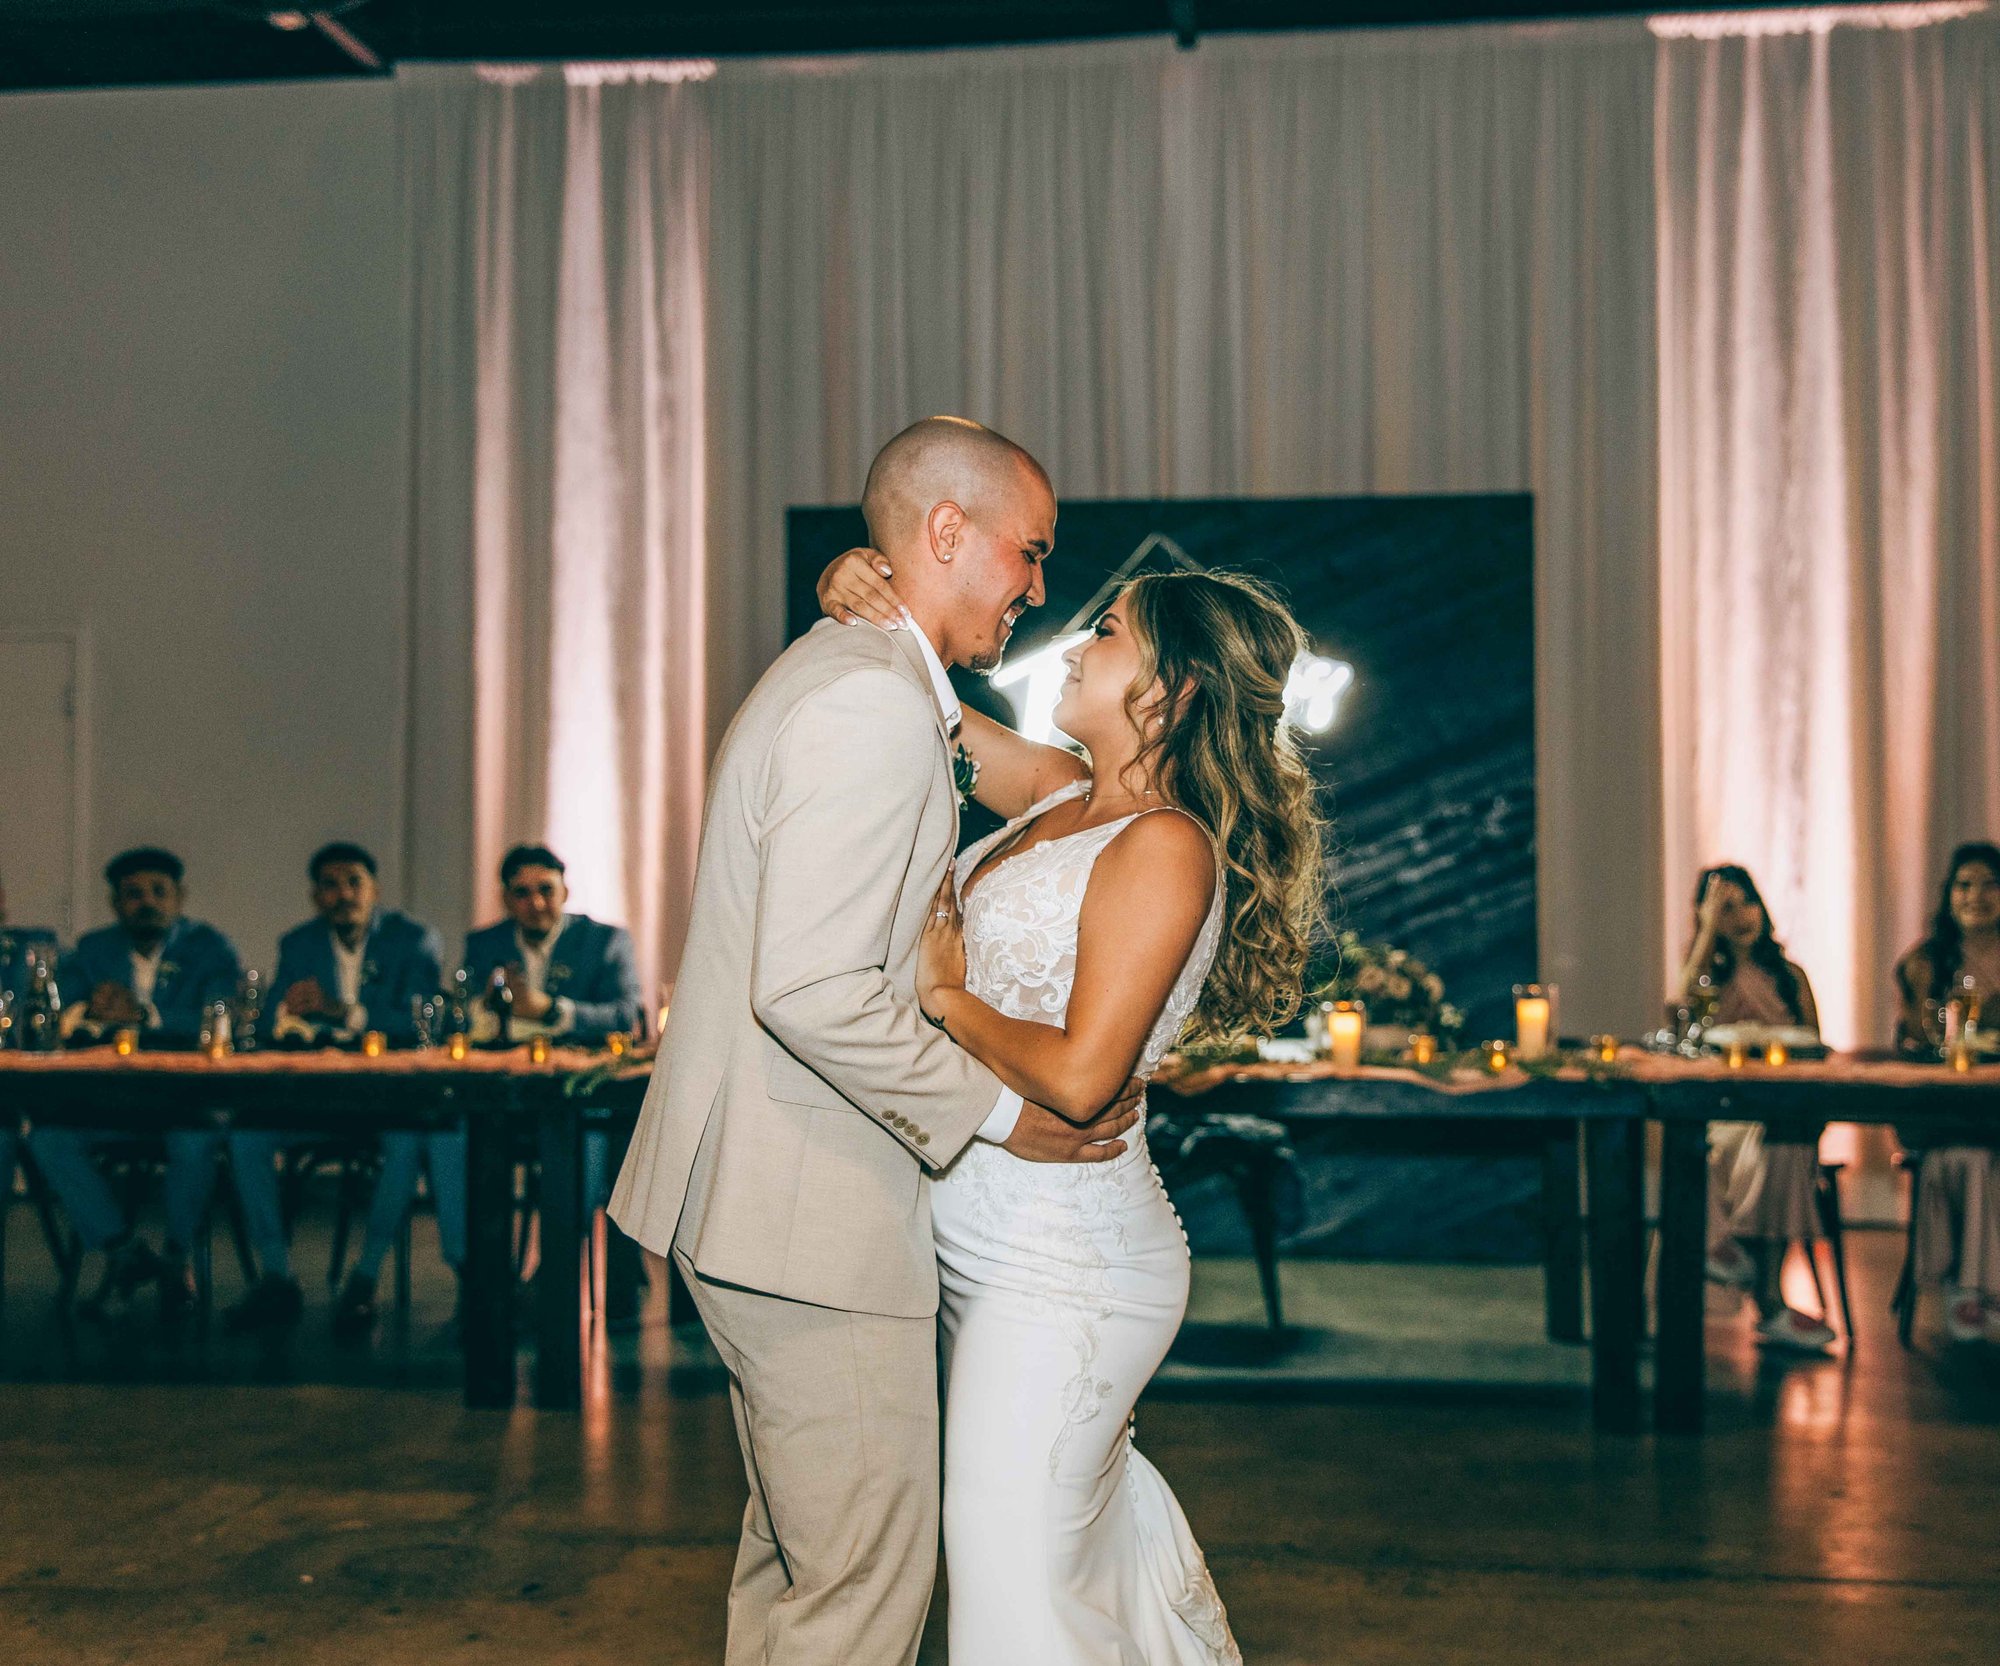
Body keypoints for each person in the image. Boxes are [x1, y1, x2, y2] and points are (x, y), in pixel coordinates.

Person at [611, 417, 1149, 1666]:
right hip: (808, 1216)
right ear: (945, 533)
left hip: (780, 1204)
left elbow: (1059, 791)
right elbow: (808, 988)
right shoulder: (867, 698)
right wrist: (1005, 1111)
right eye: (1027, 553)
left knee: (802, 1574)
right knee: (859, 1595)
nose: (1039, 588)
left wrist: (892, 608)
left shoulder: (873, 680)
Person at [810, 482, 1324, 1663]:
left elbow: (1087, 1077)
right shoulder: (1058, 793)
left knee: (1011, 1590)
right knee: (1041, 1569)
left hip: (1066, 1268)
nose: (1078, 642)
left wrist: (946, 994)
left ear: (1172, 688)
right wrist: (857, 588)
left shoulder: (1165, 845)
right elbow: (924, 698)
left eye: (1108, 633)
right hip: (980, 1248)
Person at [226, 842, 443, 1335]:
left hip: (385, 1097)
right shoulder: (298, 944)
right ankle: (277, 1275)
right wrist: (284, 1014)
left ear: (375, 890)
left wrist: (342, 1012)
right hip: (317, 1094)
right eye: (330, 885)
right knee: (245, 1136)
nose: (343, 894)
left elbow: (418, 1021)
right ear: (315, 896)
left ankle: (365, 1278)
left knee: (407, 1143)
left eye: (354, 883)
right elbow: (269, 1025)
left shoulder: (414, 941)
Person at [28, 848, 241, 1319]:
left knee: (197, 1142)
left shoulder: (211, 949)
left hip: (181, 1101)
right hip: (109, 1100)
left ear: (180, 898)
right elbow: (62, 1012)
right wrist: (89, 1011)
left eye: (158, 892)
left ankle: (176, 1255)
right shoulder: (92, 949)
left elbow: (219, 1016)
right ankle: (123, 1250)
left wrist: (143, 1014)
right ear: (116, 903)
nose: (147, 903)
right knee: (47, 1138)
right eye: (133, 894)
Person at [1679, 864, 1835, 1352]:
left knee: (1784, 1142)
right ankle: (1767, 1300)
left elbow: (1815, 1044)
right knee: (1751, 1141)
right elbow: (1682, 1006)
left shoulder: (1790, 977)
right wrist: (1706, 933)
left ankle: (1738, 1256)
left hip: (1784, 1103)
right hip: (1725, 1107)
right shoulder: (1708, 976)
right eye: (1724, 908)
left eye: (1746, 901)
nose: (1741, 915)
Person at [1892, 841, 2000, 1343]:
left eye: (1989, 884)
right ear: (1948, 895)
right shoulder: (1926, 962)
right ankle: (1970, 1293)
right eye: (1964, 885)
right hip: (1944, 1108)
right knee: (1972, 1156)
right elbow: (1916, 1043)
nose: (1976, 895)